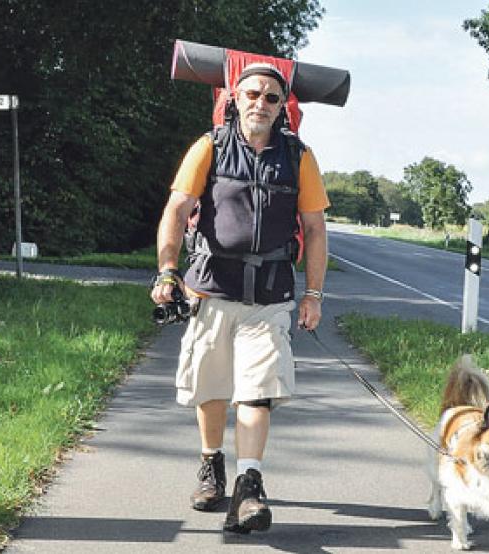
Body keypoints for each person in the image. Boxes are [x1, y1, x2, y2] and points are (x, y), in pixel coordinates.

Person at [151, 62, 329, 534]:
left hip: (269, 296)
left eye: (272, 98)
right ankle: (212, 466)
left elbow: (314, 228)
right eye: (252, 94)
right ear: (235, 98)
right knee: (209, 388)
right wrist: (167, 270)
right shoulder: (208, 147)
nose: (261, 104)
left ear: (282, 108)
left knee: (258, 389)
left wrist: (313, 293)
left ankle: (249, 485)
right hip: (211, 290)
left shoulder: (298, 156)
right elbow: (177, 208)